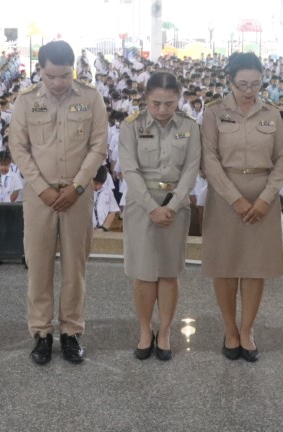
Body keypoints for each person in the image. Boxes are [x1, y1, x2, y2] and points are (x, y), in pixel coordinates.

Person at [9, 40, 109, 365]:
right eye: (51, 76)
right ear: (40, 70)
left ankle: (71, 332)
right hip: (40, 196)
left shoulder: (91, 98)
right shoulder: (26, 101)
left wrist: (77, 187)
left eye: (65, 75)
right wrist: (42, 189)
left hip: (77, 196)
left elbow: (98, 146)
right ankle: (41, 333)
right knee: (38, 267)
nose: (58, 82)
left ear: (73, 70)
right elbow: (19, 148)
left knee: (74, 268)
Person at [200, 52, 283, 362]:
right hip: (225, 196)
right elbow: (209, 158)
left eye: (255, 84)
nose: (249, 90)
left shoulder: (272, 113)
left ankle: (247, 330)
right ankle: (230, 329)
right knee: (225, 266)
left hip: (263, 196)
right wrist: (234, 198)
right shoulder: (214, 112)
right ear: (229, 81)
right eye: (242, 84)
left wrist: (266, 198)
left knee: (255, 267)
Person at [117, 70, 201, 362]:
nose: (162, 110)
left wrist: (172, 206)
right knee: (143, 274)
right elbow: (129, 170)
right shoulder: (132, 126)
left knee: (168, 272)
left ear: (178, 99)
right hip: (142, 205)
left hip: (175, 205)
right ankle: (145, 331)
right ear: (146, 99)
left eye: (169, 103)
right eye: (156, 103)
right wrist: (152, 208)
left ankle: (164, 331)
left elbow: (191, 170)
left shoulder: (189, 127)